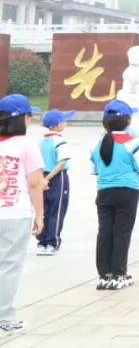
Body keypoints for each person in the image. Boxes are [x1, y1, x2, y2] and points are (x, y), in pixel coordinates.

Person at [90, 99, 139, 291]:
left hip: (104, 191)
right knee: (122, 232)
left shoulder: (97, 144)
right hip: (127, 191)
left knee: (104, 232)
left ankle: (104, 275)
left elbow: (95, 170)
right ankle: (119, 273)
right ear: (128, 121)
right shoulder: (133, 143)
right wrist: (134, 184)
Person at [0, 94, 45, 334]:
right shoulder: (27, 145)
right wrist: (40, 215)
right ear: (23, 118)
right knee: (9, 266)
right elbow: (35, 183)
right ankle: (4, 316)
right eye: (30, 116)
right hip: (15, 213)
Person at [37, 108, 74, 256]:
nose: (66, 123)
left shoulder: (41, 141)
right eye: (64, 121)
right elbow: (61, 163)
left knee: (44, 210)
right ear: (57, 125)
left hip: (42, 176)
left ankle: (42, 242)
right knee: (57, 210)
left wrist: (42, 179)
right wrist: (48, 179)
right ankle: (53, 243)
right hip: (57, 177)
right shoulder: (60, 141)